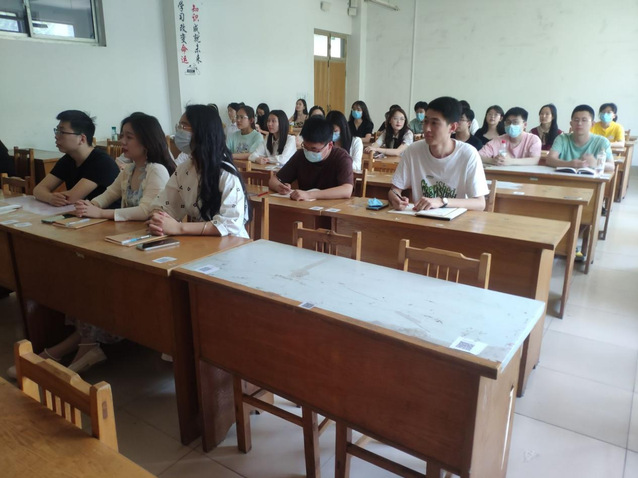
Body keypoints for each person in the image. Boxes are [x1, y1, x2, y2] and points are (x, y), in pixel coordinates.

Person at [148, 104, 249, 238]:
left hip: (231, 244)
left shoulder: (225, 173)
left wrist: (179, 227)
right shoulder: (185, 169)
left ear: (202, 132)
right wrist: (159, 219)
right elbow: (164, 205)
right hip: (201, 242)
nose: (179, 131)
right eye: (179, 126)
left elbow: (230, 224)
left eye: (184, 126)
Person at [388, 96, 488, 212]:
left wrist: (442, 201)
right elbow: (394, 190)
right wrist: (395, 198)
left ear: (452, 127)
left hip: (456, 220)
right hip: (421, 218)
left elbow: (480, 203)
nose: (427, 129)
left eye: (434, 123)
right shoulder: (413, 150)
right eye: (425, 122)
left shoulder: (468, 154)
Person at [73, 113, 174, 221]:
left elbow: (146, 211)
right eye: (122, 136)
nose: (122, 141)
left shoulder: (157, 170)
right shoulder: (129, 170)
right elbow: (109, 194)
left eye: (129, 137)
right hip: (132, 229)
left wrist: (101, 213)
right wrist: (89, 205)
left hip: (152, 230)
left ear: (147, 141)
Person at [33, 110, 119, 207]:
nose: (56, 136)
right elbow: (38, 189)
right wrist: (50, 198)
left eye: (62, 132)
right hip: (82, 213)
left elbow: (71, 198)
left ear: (82, 139)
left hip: (107, 215)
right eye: (56, 131)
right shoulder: (68, 159)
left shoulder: (102, 162)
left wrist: (50, 197)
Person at [268, 116, 353, 200]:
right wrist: (279, 187)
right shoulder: (300, 155)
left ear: (330, 145)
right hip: (305, 206)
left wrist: (309, 195)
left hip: (333, 207)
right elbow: (273, 180)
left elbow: (347, 190)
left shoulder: (342, 158)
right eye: (305, 147)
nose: (308, 152)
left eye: (314, 149)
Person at [546, 104, 613, 172]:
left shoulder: (602, 142)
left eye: (584, 120)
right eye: (576, 120)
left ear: (592, 124)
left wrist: (595, 163)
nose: (579, 123)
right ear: (571, 123)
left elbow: (611, 166)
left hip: (590, 178)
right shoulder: (562, 138)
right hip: (564, 177)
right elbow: (549, 159)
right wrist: (570, 164)